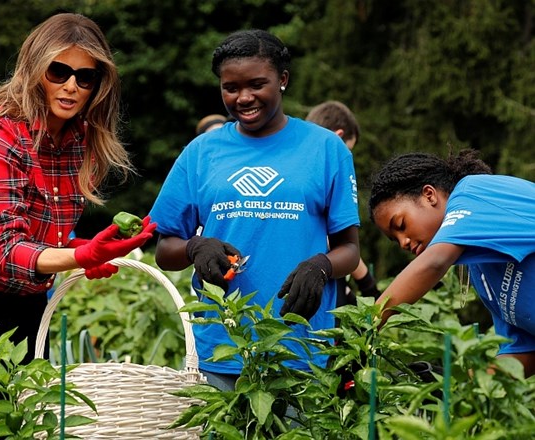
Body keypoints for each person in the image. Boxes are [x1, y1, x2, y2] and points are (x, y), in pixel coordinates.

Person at [0, 13, 156, 438]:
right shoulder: (1, 136)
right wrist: (80, 255)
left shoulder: (82, 140)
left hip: (26, 302)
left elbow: (42, 232)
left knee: (29, 429)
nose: (71, 86)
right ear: (35, 70)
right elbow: (6, 250)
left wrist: (80, 249)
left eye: (85, 77)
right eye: (59, 71)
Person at [149, 29, 360, 390]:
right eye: (231, 87)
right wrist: (194, 247)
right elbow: (164, 251)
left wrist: (320, 265)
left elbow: (350, 250)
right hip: (222, 350)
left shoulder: (326, 149)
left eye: (257, 84)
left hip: (301, 348)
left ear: (283, 80)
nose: (244, 97)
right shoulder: (201, 152)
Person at [368, 149, 535, 377]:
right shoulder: (482, 270)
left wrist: (365, 327)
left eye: (401, 225)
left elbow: (434, 263)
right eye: (394, 240)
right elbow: (524, 352)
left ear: (429, 195)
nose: (403, 242)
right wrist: (452, 387)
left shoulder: (472, 193)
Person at [306, 100, 380, 302]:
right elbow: (337, 241)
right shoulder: (325, 172)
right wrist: (368, 284)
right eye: (348, 150)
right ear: (338, 138)